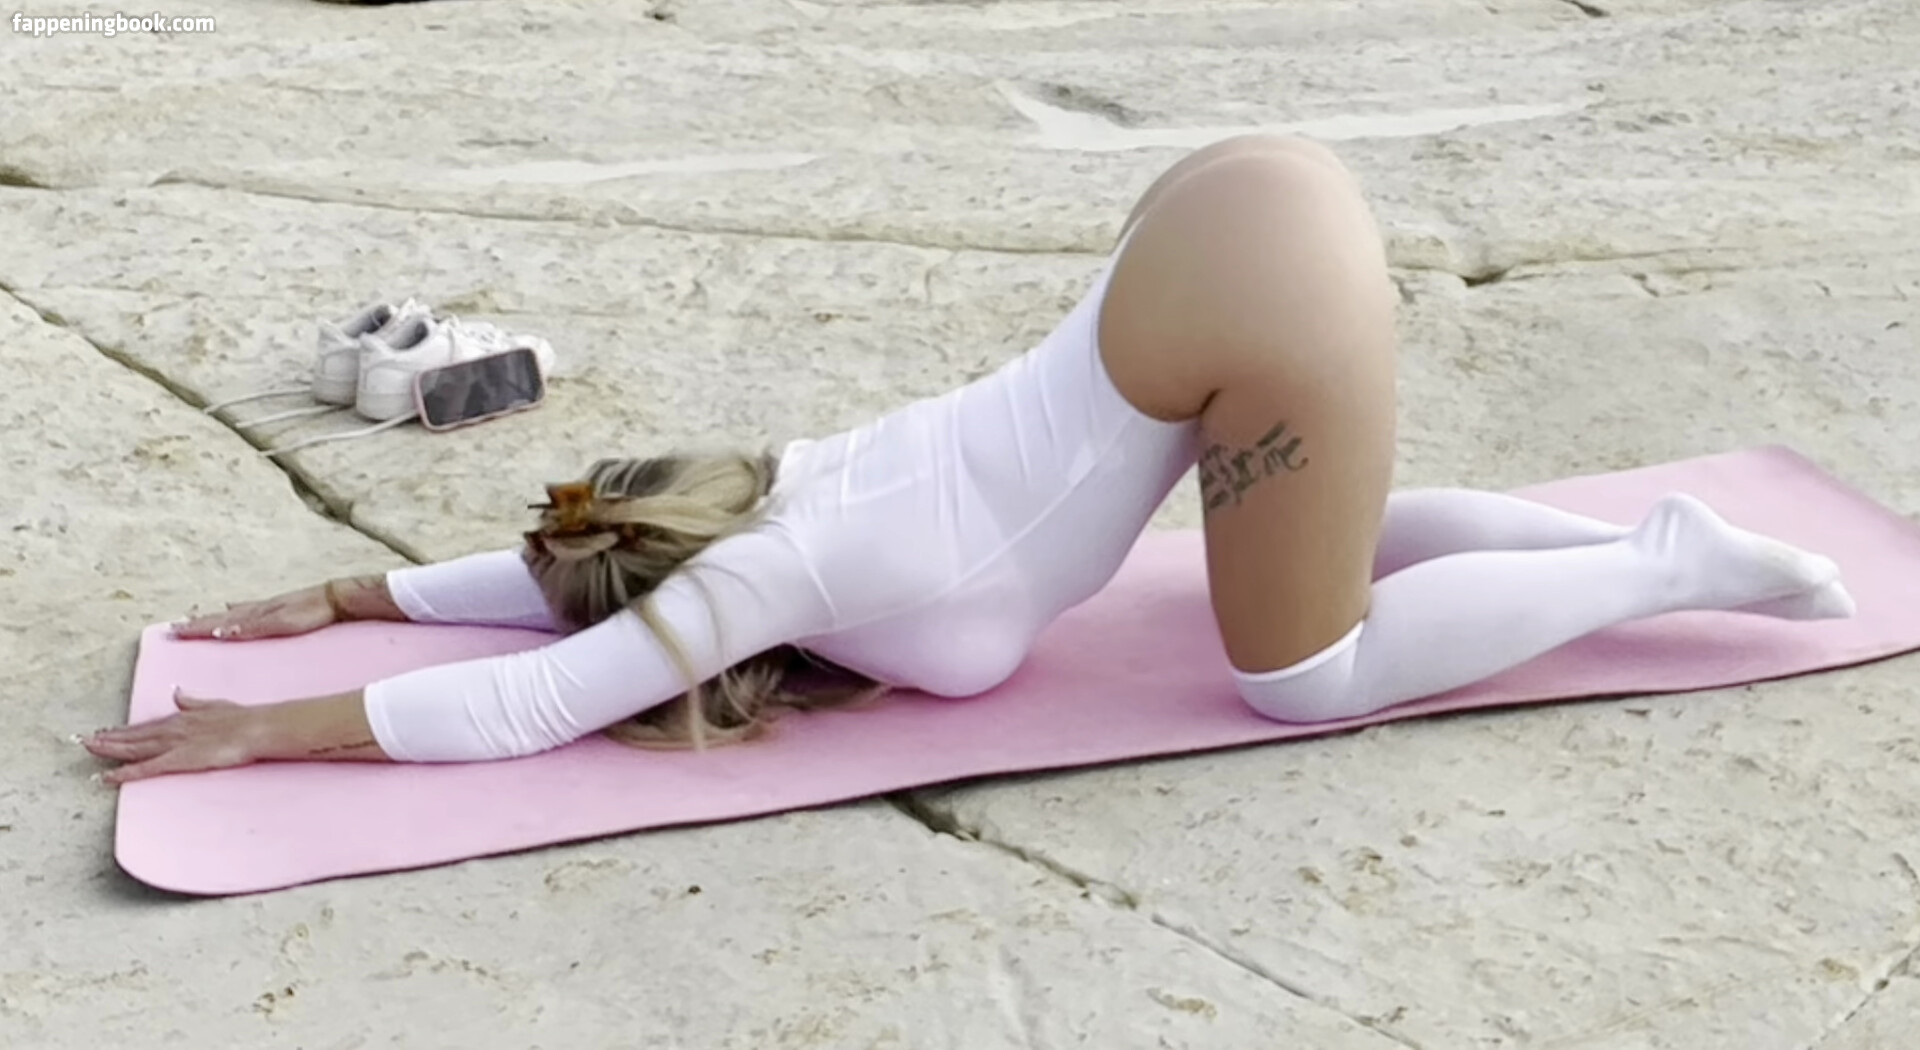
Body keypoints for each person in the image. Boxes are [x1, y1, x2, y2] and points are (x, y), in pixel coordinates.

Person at [84, 135, 1854, 785]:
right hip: (1217, 228)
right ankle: (1639, 548)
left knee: (1302, 676)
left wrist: (268, 730)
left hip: (1249, 305)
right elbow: (564, 583)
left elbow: (535, 694)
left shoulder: (771, 574)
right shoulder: (768, 486)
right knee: (1319, 551)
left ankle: (1664, 561)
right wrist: (349, 590)